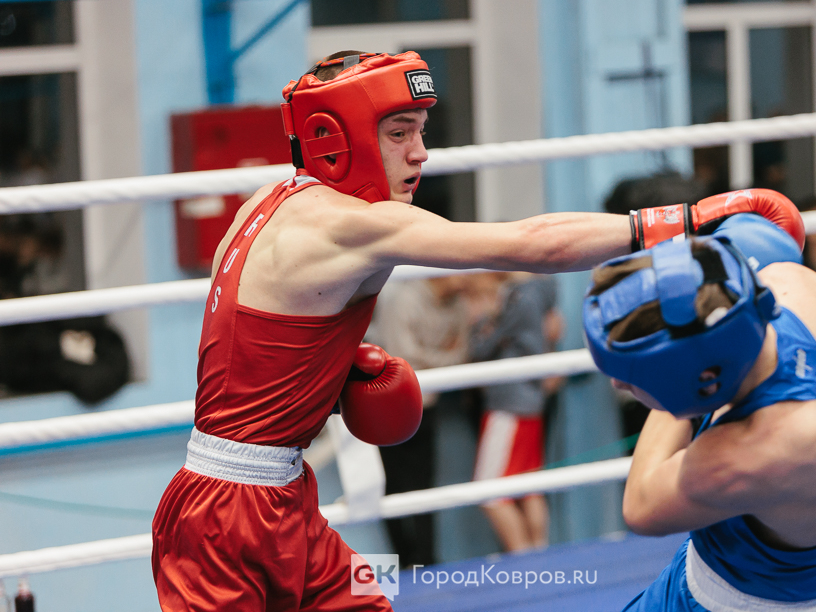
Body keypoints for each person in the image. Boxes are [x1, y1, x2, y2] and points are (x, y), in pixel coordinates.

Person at [150, 50, 640, 612]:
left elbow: (245, 346)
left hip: (285, 497)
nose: (420, 152)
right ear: (338, 140)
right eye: (399, 133)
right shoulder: (354, 225)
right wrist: (678, 223)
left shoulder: (266, 202)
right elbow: (536, 245)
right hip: (223, 518)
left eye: (421, 131)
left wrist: (324, 375)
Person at [582, 208, 816, 611]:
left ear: (706, 381)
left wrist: (675, 386)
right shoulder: (795, 289)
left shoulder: (761, 451)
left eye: (631, 379)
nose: (618, 385)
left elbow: (640, 506)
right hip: (705, 568)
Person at [366, 275, 470, 567]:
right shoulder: (403, 299)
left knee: (424, 484)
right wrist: (443, 355)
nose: (469, 273)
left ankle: (426, 561)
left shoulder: (458, 305)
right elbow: (404, 359)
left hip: (427, 404)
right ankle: (402, 563)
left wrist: (427, 360)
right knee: (390, 485)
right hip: (389, 405)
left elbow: (463, 353)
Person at [468, 271, 561, 553]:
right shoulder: (541, 291)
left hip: (509, 402)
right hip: (529, 399)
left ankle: (523, 557)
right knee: (528, 486)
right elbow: (550, 332)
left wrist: (482, 321)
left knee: (490, 491)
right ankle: (538, 556)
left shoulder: (519, 296)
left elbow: (482, 348)